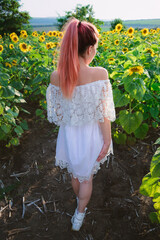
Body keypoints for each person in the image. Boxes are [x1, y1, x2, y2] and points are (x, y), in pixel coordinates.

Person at [46, 17, 116, 231]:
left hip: (69, 135)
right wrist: (107, 140)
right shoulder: (99, 74)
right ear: (89, 49)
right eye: (95, 46)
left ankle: (79, 202)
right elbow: (103, 114)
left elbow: (57, 112)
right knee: (87, 178)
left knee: (76, 174)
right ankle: (80, 213)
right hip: (90, 135)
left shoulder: (57, 77)